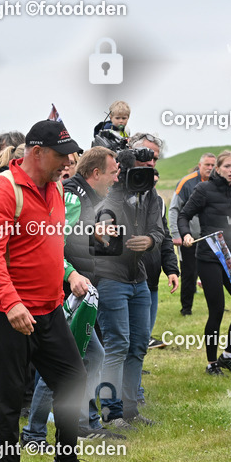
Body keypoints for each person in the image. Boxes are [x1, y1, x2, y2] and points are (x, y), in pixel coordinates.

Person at [0, 120, 110, 462]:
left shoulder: (54, 189)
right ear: (36, 153)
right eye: (62, 154)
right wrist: (12, 303)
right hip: (9, 314)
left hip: (50, 310)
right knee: (8, 397)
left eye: (72, 154)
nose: (69, 161)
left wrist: (68, 274)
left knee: (72, 380)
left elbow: (51, 247)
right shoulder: (2, 191)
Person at [24, 146, 121, 447]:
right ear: (96, 174)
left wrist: (95, 233)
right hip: (64, 289)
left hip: (76, 287)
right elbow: (52, 242)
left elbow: (72, 236)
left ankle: (80, 421)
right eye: (113, 173)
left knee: (91, 355)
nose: (116, 180)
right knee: (63, 361)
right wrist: (71, 274)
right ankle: (35, 433)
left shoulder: (86, 197)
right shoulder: (74, 196)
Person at [92, 134, 166, 429]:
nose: (145, 176)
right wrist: (119, 239)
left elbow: (160, 232)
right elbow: (96, 243)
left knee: (138, 346)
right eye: (139, 170)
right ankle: (111, 411)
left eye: (149, 170)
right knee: (117, 345)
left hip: (141, 280)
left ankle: (130, 409)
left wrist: (149, 240)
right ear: (122, 171)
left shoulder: (153, 197)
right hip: (112, 279)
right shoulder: (107, 196)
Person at [178, 150, 231, 375]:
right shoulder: (204, 190)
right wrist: (185, 234)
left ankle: (228, 355)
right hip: (208, 257)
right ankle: (211, 363)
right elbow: (184, 215)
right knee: (217, 311)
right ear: (218, 169)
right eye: (227, 167)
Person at [169, 153, 215, 315]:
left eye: (212, 165)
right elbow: (174, 209)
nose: (210, 168)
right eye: (207, 165)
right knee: (189, 274)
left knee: (214, 273)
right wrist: (176, 233)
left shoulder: (217, 182)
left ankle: (216, 306)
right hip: (189, 238)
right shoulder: (186, 183)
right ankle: (186, 309)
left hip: (210, 237)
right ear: (200, 165)